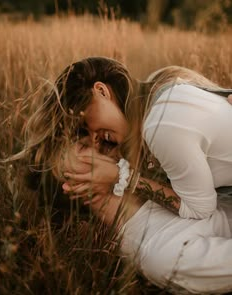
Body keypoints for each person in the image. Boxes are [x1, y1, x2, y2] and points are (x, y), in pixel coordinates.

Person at [29, 56, 231, 220]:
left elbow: (200, 210)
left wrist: (121, 177)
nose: (94, 138)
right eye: (83, 135)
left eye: (85, 122)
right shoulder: (161, 92)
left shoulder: (161, 124)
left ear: (100, 91)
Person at [55, 136, 232, 294]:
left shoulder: (156, 188)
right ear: (73, 187)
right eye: (84, 147)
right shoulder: (160, 253)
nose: (97, 138)